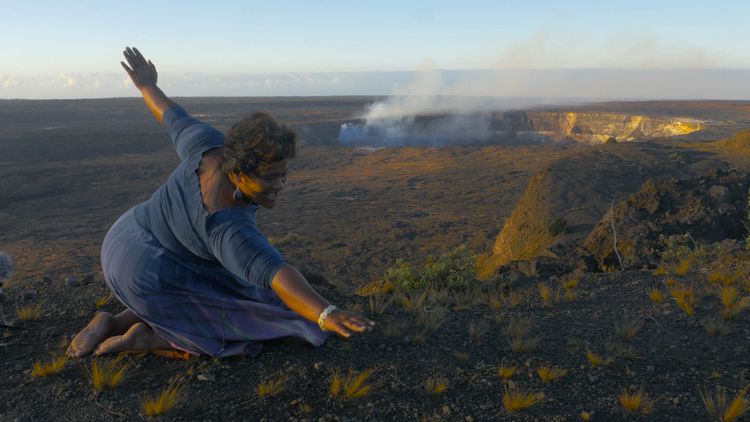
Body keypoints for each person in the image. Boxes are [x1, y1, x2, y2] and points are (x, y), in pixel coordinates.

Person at [67, 47, 374, 358]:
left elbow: (172, 116)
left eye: (283, 174)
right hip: (146, 271)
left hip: (126, 235)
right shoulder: (227, 225)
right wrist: (325, 313)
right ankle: (150, 339)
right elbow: (276, 273)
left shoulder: (210, 146)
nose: (279, 185)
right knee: (276, 322)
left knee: (230, 285)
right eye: (268, 178)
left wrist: (147, 86)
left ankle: (111, 321)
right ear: (238, 171)